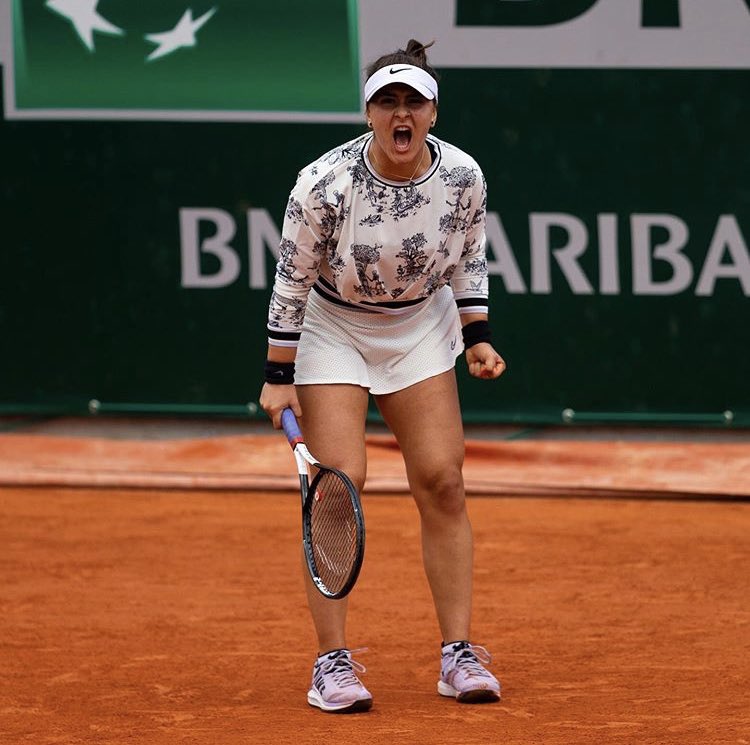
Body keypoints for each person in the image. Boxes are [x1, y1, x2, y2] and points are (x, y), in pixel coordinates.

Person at [259, 39, 506, 713]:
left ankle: (458, 653)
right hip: (332, 327)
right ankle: (330, 664)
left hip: (419, 326)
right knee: (337, 485)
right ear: (368, 112)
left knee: (443, 480)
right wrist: (278, 372)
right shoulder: (323, 183)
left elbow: (469, 256)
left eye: (414, 102)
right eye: (387, 101)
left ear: (433, 112)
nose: (402, 113)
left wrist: (478, 336)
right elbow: (291, 277)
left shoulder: (463, 175)